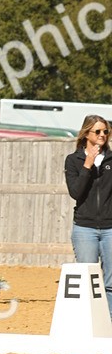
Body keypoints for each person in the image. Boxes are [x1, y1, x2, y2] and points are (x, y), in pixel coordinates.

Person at [64, 113, 112, 316]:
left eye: (106, 131)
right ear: (86, 133)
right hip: (85, 229)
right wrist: (87, 165)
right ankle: (90, 324)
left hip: (111, 229)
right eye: (98, 131)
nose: (103, 135)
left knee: (110, 283)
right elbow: (76, 192)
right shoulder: (73, 160)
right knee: (87, 280)